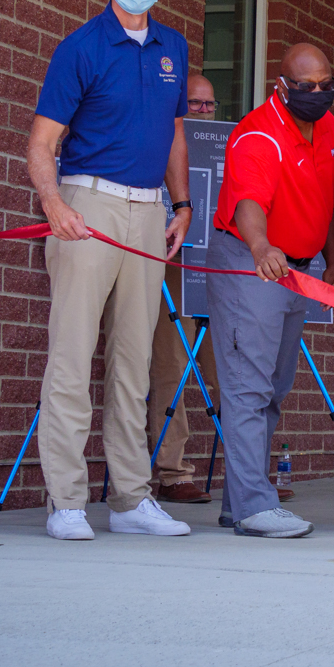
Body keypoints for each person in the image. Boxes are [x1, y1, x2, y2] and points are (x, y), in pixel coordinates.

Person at [28, 0, 194, 541]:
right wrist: (53, 205)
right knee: (72, 355)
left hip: (151, 212)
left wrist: (181, 204)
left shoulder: (173, 45)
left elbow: (174, 135)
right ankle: (66, 501)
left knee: (136, 359)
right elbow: (41, 144)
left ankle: (130, 499)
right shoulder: (81, 48)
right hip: (87, 203)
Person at [205, 42, 334, 538]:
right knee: (248, 386)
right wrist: (262, 248)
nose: (319, 94)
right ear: (281, 87)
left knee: (273, 389)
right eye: (307, 87)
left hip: (299, 269)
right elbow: (247, 205)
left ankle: (237, 501)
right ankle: (254, 507)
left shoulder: (327, 128)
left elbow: (331, 203)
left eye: (327, 85)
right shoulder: (258, 133)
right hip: (252, 263)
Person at [144, 73, 223, 505]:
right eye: (194, 103)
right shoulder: (160, 142)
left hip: (216, 268)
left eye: (209, 105)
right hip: (173, 263)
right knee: (172, 366)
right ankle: (173, 472)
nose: (203, 112)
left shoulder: (221, 147)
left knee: (228, 368)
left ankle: (250, 470)